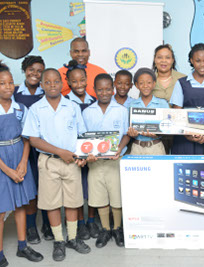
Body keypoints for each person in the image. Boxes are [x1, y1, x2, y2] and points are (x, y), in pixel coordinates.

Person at [22, 68, 91, 261]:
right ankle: (59, 240)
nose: (52, 85)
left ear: (63, 84)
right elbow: (34, 139)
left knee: (73, 201)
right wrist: (60, 151)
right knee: (51, 203)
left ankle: (73, 238)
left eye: (56, 81)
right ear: (42, 85)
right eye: (48, 82)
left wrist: (83, 155)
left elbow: (81, 135)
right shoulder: (36, 109)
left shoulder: (72, 107)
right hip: (49, 162)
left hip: (71, 162)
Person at [0, 62, 44, 266]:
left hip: (19, 154)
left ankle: (22, 245)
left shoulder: (20, 108)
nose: (8, 87)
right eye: (2, 83)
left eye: (10, 82)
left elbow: (27, 137)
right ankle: (0, 253)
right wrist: (7, 170)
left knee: (21, 205)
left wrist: (24, 162)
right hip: (2, 161)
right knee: (1, 210)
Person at [83, 74, 130, 248]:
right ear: (94, 90)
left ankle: (117, 228)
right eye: (100, 89)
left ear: (113, 90)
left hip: (115, 160)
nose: (104, 93)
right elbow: (84, 138)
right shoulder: (87, 112)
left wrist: (119, 148)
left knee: (116, 196)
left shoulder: (121, 110)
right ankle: (105, 229)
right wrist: (87, 154)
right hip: (95, 162)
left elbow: (125, 134)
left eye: (108, 89)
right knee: (99, 196)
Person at [13, 56, 53, 244]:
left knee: (46, 186)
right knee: (30, 189)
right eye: (31, 69)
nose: (35, 74)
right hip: (22, 149)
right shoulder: (13, 92)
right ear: (24, 69)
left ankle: (47, 224)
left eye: (39, 71)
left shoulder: (47, 91)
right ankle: (31, 227)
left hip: (43, 146)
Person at [63, 60, 99, 241]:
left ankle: (91, 220)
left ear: (87, 80)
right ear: (68, 83)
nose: (79, 84)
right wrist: (79, 153)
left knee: (90, 187)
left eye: (82, 80)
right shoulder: (66, 102)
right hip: (74, 154)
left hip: (91, 154)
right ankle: (79, 222)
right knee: (76, 190)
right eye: (74, 81)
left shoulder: (94, 101)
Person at [152, 44, 186, 154]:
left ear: (172, 60)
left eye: (167, 57)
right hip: (155, 132)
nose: (163, 61)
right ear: (154, 59)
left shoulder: (183, 79)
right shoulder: (148, 79)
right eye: (159, 57)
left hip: (180, 132)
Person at [128, 68, 169, 155]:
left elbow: (169, 126)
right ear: (136, 85)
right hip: (137, 147)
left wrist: (157, 134)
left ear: (154, 84)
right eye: (141, 83)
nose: (145, 86)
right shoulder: (132, 105)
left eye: (149, 82)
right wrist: (131, 133)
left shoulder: (162, 104)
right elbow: (128, 127)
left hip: (156, 147)